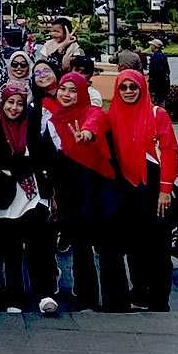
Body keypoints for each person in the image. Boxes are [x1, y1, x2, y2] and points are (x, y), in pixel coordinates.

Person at [78, 70, 178, 311]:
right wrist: (86, 133)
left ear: (142, 88)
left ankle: (157, 301)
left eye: (133, 87)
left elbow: (169, 151)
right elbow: (95, 121)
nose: (128, 92)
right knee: (125, 245)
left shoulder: (157, 115)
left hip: (153, 188)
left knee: (157, 249)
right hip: (123, 190)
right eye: (122, 87)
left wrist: (165, 190)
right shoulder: (110, 116)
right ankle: (129, 297)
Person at [48, 72, 127, 311]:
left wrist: (86, 134)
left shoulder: (91, 112)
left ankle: (117, 302)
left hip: (99, 188)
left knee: (108, 249)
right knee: (80, 247)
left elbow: (98, 123)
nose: (67, 94)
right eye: (63, 89)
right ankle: (86, 299)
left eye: (73, 90)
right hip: (70, 191)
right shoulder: (54, 121)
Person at [0, 84, 58, 315]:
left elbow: (40, 159)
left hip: (32, 197)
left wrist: (14, 166)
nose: (14, 108)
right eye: (10, 102)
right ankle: (14, 298)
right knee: (12, 250)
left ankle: (44, 294)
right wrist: (19, 165)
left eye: (19, 103)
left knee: (38, 247)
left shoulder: (32, 128)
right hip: (5, 199)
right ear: (3, 104)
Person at [147, 39, 170, 108]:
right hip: (164, 85)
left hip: (155, 85)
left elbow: (155, 71)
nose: (151, 47)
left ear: (154, 46)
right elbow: (167, 71)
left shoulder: (155, 57)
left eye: (152, 45)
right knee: (162, 103)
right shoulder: (163, 56)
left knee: (154, 103)